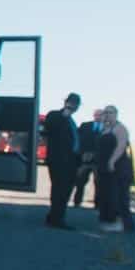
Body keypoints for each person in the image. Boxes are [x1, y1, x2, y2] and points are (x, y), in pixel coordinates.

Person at [41, 93, 82, 229]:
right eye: (71, 102)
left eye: (75, 104)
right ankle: (56, 218)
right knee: (60, 189)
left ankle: (55, 216)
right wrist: (64, 113)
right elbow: (49, 128)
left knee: (65, 190)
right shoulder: (55, 115)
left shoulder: (72, 122)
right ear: (65, 102)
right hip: (59, 160)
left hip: (71, 161)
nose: (73, 106)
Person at [97, 105, 135, 233]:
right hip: (104, 169)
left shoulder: (120, 128)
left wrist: (112, 161)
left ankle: (122, 224)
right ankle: (109, 220)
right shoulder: (104, 128)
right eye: (105, 112)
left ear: (116, 114)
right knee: (107, 195)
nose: (107, 115)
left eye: (110, 112)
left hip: (118, 167)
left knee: (119, 196)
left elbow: (121, 146)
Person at [73, 108, 104, 207]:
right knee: (80, 181)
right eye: (96, 115)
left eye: (100, 115)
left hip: (99, 161)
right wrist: (82, 154)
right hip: (84, 159)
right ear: (93, 115)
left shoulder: (107, 129)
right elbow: (78, 140)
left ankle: (98, 204)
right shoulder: (85, 126)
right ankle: (77, 202)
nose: (98, 117)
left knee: (99, 183)